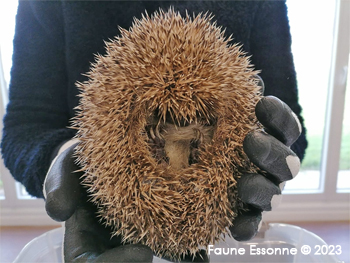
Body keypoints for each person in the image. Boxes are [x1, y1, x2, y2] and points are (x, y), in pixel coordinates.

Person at [1, 1, 307, 262]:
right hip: (99, 222)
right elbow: (25, 128)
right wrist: (70, 156)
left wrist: (275, 152)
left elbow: (288, 130)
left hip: (223, 238)